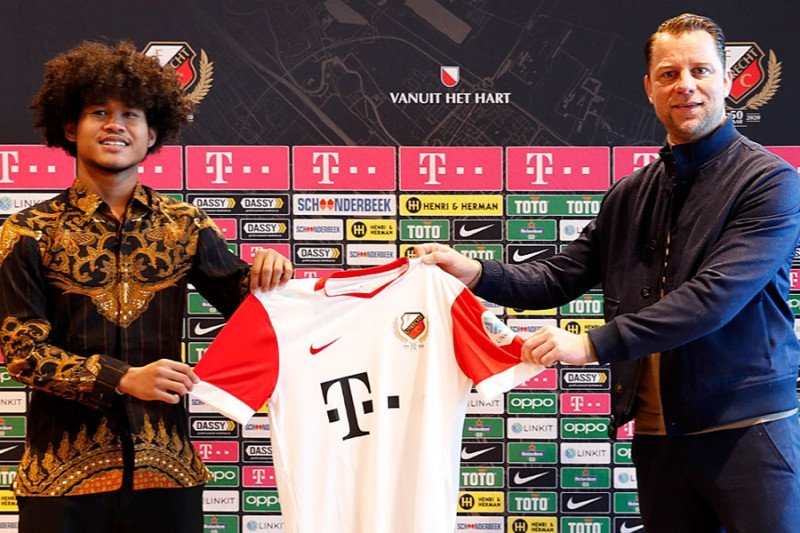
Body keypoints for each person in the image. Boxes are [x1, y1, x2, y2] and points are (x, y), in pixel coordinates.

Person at [417, 13, 800, 533]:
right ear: (649, 89)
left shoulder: (769, 180)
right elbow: (558, 276)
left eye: (700, 70)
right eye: (669, 74)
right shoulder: (630, 193)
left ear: (727, 80)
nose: (685, 85)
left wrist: (591, 345)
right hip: (658, 436)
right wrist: (475, 272)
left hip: (748, 430)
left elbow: (713, 298)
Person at [0, 41, 292, 533]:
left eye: (130, 114)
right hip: (59, 482)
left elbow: (256, 308)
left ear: (151, 133)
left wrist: (271, 272)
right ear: (70, 128)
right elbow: (22, 351)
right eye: (99, 112)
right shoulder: (28, 231)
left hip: (168, 474)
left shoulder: (184, 225)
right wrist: (122, 378)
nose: (115, 125)